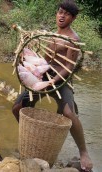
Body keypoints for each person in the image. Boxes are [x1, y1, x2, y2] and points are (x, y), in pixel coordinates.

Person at [12, 0, 93, 171]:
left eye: (67, 14)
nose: (62, 16)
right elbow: (46, 62)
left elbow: (69, 68)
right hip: (45, 76)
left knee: (68, 114)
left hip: (61, 80)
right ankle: (31, 139)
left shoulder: (73, 39)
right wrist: (29, 64)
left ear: (73, 18)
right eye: (60, 12)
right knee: (17, 107)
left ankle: (84, 152)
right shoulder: (52, 36)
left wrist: (53, 82)